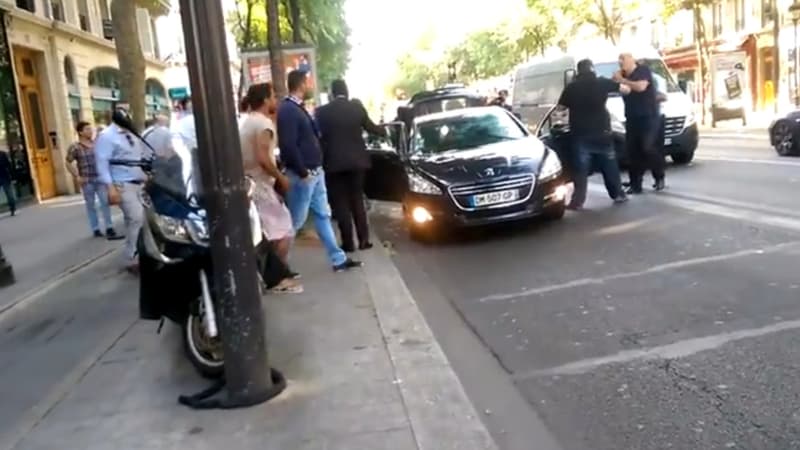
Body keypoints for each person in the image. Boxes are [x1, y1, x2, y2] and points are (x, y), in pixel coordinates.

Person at [277, 70, 362, 272]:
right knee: (295, 221)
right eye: (307, 83)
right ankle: (278, 268)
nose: (310, 86)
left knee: (322, 215)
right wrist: (302, 170)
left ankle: (338, 259)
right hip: (304, 175)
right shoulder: (289, 110)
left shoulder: (296, 108)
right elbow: (288, 145)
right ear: (300, 84)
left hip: (314, 172)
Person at [240, 82, 302, 292]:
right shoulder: (263, 124)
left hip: (249, 184)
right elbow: (263, 158)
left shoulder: (246, 121)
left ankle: (276, 272)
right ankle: (277, 279)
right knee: (284, 231)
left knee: (266, 232)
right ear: (266, 100)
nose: (276, 100)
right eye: (273, 96)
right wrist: (280, 178)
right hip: (260, 186)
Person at [315, 79, 385, 252]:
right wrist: (385, 131)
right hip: (357, 163)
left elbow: (316, 137)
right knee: (357, 200)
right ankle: (364, 240)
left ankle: (348, 243)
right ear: (346, 91)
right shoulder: (356, 108)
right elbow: (373, 129)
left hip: (334, 164)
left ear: (331, 93)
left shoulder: (321, 112)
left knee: (340, 204)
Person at [557, 59, 630, 209]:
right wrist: (618, 80)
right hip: (602, 132)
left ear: (578, 71)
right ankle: (618, 194)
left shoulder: (571, 88)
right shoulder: (601, 82)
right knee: (609, 165)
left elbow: (560, 109)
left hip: (580, 134)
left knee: (580, 170)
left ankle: (577, 202)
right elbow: (626, 90)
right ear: (592, 69)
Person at [95, 106, 147, 274]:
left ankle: (140, 253)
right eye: (123, 110)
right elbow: (102, 164)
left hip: (139, 182)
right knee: (136, 218)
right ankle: (131, 258)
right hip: (122, 184)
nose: (127, 113)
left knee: (138, 220)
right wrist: (110, 188)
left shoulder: (131, 133)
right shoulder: (106, 137)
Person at [613, 52, 666, 194]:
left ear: (632, 60)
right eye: (619, 61)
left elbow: (641, 87)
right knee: (633, 151)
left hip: (649, 116)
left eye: (623, 60)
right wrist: (618, 79)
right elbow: (617, 86)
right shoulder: (622, 76)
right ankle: (636, 184)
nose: (621, 63)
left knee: (647, 147)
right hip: (632, 117)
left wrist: (622, 80)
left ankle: (659, 176)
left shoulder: (642, 71)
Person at [66, 121, 121, 239]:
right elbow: (68, 162)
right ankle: (95, 228)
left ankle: (109, 227)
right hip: (86, 180)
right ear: (80, 132)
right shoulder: (75, 147)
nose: (90, 132)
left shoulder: (97, 144)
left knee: (104, 203)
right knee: (91, 205)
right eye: (87, 129)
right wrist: (77, 176)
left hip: (99, 178)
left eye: (91, 129)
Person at [0, 149, 15, 216]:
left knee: (9, 194)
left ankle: (12, 208)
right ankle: (12, 208)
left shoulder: (3, 154)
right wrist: (12, 176)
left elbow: (8, 165)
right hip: (4, 176)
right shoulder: (3, 154)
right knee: (9, 193)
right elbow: (8, 165)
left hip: (4, 176)